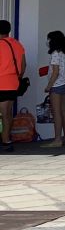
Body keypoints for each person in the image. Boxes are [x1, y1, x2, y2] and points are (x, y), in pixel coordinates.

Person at [41, 31, 65, 149]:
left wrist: (48, 86)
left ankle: (57, 139)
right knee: (63, 110)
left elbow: (55, 72)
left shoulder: (54, 54)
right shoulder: (63, 52)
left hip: (57, 85)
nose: (47, 41)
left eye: (49, 39)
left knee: (56, 112)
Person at [0, 20, 26, 153]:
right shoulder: (17, 44)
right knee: (8, 113)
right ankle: (6, 139)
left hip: (1, 84)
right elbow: (23, 65)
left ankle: (6, 141)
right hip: (13, 83)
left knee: (4, 114)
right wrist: (17, 77)